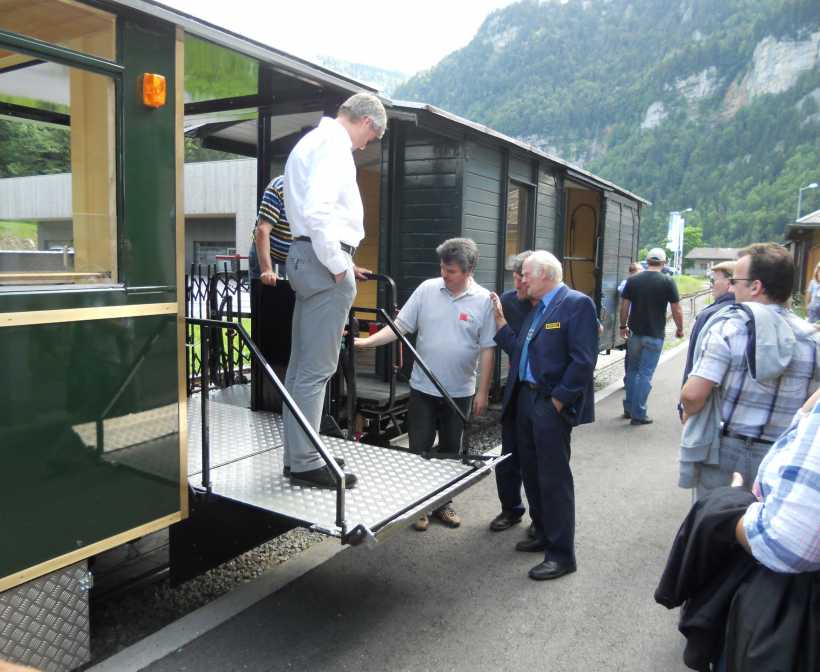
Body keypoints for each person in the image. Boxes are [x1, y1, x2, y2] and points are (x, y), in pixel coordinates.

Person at [282, 92, 386, 489]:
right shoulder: (335, 147)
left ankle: (299, 453)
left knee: (299, 368)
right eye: (371, 138)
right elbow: (320, 211)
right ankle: (308, 461)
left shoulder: (311, 141)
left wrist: (336, 261)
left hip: (305, 258)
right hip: (323, 262)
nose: (366, 145)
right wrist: (338, 263)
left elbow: (311, 216)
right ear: (367, 123)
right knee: (316, 370)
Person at [355, 238, 496, 530]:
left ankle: (442, 504)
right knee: (419, 447)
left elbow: (487, 349)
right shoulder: (427, 290)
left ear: (469, 270)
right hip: (423, 388)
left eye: (452, 271)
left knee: (449, 450)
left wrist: (483, 391)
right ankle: (419, 506)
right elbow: (400, 327)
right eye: (443, 268)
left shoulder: (483, 300)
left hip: (459, 392)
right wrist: (366, 342)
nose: (444, 274)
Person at [492, 250, 598, 581]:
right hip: (525, 399)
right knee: (531, 471)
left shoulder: (576, 304)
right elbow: (522, 351)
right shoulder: (538, 308)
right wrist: (500, 326)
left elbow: (583, 360)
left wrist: (559, 401)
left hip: (548, 403)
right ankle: (541, 532)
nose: (520, 280)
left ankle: (561, 554)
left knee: (553, 480)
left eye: (525, 274)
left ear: (546, 275)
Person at [680, 242, 820, 494]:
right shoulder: (813, 339)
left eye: (736, 281)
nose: (731, 286)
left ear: (756, 287)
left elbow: (693, 395)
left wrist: (691, 414)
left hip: (726, 451)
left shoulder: (727, 328)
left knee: (714, 526)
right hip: (783, 455)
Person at [488, 250, 535, 533]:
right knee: (508, 456)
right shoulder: (508, 301)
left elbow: (526, 351)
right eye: (515, 278)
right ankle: (510, 509)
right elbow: (514, 351)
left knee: (537, 459)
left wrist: (503, 326)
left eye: (521, 280)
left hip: (541, 394)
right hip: (515, 390)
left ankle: (540, 517)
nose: (516, 285)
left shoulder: (552, 304)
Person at [619, 248, 684, 425]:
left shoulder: (633, 280)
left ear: (647, 261)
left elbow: (624, 306)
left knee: (632, 371)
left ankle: (629, 408)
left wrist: (622, 325)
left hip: (635, 334)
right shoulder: (667, 281)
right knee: (645, 374)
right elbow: (676, 309)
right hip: (655, 335)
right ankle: (638, 414)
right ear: (664, 263)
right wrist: (680, 329)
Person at [681, 260, 736, 383]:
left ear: (730, 282)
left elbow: (693, 363)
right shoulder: (754, 312)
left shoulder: (708, 315)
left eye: (713, 281)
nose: (711, 286)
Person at [618, 261, 643, 391]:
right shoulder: (626, 284)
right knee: (631, 353)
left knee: (634, 353)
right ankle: (629, 380)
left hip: (638, 323)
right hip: (631, 323)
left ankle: (633, 379)